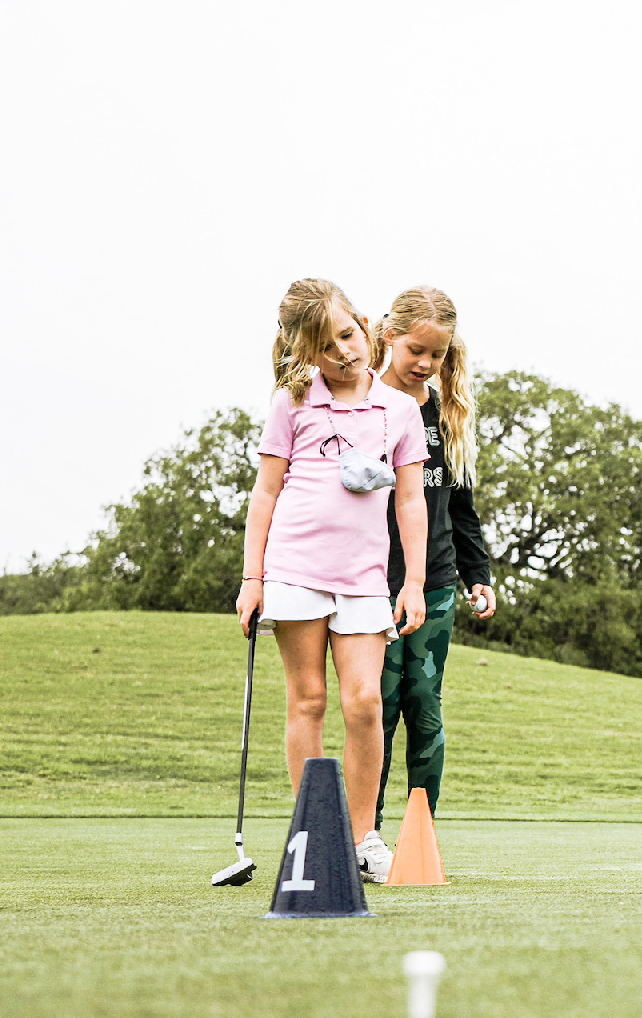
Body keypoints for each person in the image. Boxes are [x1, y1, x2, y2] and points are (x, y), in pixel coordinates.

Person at [236, 278, 431, 887]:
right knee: (309, 700)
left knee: (365, 701)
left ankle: (363, 837)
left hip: (365, 578)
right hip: (294, 570)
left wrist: (415, 581)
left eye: (348, 335)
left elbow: (411, 502)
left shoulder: (400, 409)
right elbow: (266, 492)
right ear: (306, 352)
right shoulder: (291, 401)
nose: (343, 352)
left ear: (364, 325)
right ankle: (314, 836)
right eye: (326, 346)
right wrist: (252, 578)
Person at [371, 285, 498, 849]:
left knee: (423, 703)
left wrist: (479, 575)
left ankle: (419, 837)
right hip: (371, 583)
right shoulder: (363, 404)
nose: (425, 363)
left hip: (438, 584)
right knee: (376, 706)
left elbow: (461, 507)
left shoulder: (447, 414)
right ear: (388, 337)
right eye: (415, 350)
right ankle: (364, 835)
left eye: (437, 354)